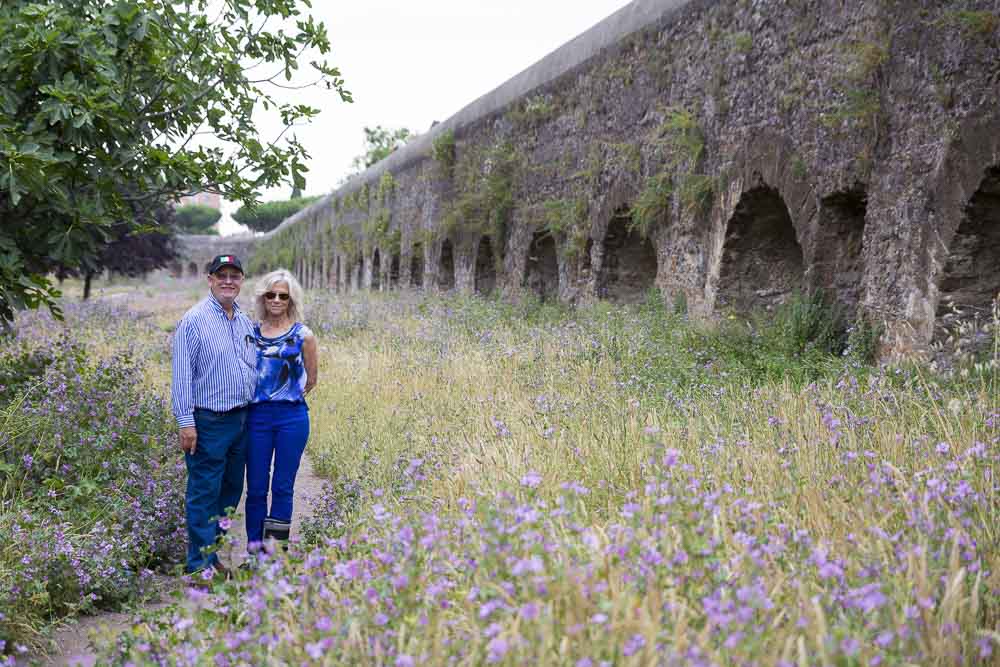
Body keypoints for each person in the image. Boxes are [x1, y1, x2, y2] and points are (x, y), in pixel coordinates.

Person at [171, 254, 257, 575]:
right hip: (208, 422)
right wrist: (186, 422)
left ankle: (212, 552)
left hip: (241, 421)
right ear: (210, 280)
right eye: (222, 275)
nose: (228, 281)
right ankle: (198, 567)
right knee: (204, 492)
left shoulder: (244, 321)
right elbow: (181, 376)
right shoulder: (193, 321)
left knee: (231, 491)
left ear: (241, 281)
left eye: (235, 276)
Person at [244, 269, 318, 553]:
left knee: (283, 485)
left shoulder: (304, 336)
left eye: (283, 296)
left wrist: (283, 394)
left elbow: (311, 381)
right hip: (256, 418)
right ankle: (254, 552)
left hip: (291, 418)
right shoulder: (249, 332)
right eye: (271, 294)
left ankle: (274, 554)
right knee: (257, 488)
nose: (276, 300)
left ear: (291, 300)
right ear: (263, 297)